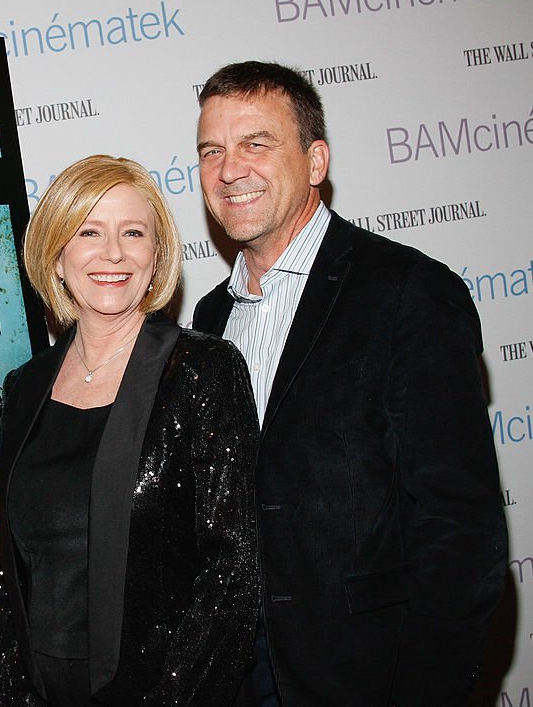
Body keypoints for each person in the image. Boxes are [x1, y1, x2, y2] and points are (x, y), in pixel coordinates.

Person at [191, 61, 508, 705]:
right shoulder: (209, 319)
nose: (229, 170)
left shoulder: (407, 293)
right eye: (211, 150)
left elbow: (460, 527)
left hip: (366, 675)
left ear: (315, 162)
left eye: (257, 143)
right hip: (238, 679)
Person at [0, 155, 260, 706]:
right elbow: (5, 570)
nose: (113, 253)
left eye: (132, 232)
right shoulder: (24, 387)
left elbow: (235, 570)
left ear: (155, 256)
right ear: (56, 255)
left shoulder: (201, 372)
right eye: (89, 231)